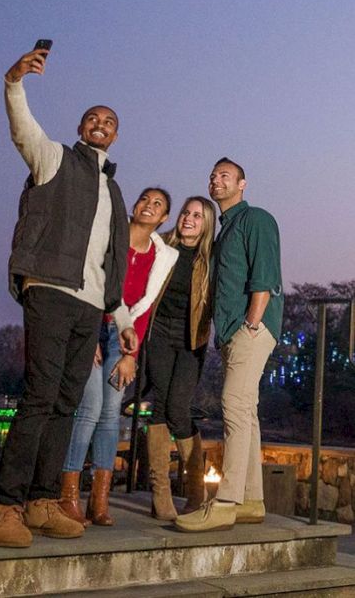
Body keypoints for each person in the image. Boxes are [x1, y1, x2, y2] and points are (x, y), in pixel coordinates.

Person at [0, 46, 135, 549]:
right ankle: (4, 507)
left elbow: (114, 261)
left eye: (108, 120)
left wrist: (120, 314)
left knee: (67, 403)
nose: (100, 123)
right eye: (92, 117)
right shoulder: (54, 159)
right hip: (49, 289)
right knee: (40, 396)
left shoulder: (115, 193)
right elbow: (22, 127)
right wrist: (13, 82)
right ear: (80, 126)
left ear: (116, 134)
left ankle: (43, 502)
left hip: (92, 303)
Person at [175, 158, 283, 532]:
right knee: (246, 413)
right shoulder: (224, 231)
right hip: (234, 332)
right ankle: (252, 500)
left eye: (225, 176)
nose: (216, 180)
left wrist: (252, 322)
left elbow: (264, 276)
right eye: (212, 176)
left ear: (242, 184)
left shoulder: (257, 220)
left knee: (233, 407)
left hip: (251, 328)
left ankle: (225, 502)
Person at [60, 187, 177, 527]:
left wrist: (131, 355)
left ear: (164, 218)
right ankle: (68, 497)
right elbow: (86, 280)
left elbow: (145, 308)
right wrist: (85, 335)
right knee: (89, 408)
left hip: (124, 337)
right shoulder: (110, 235)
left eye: (158, 205)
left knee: (111, 414)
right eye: (145, 199)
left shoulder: (163, 256)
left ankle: (100, 500)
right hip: (93, 324)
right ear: (135, 204)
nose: (149, 206)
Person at [145, 196, 216, 520]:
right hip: (158, 335)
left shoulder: (210, 259)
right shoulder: (161, 246)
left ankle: (195, 492)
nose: (189, 218)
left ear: (206, 224)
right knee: (160, 405)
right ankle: (160, 495)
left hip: (192, 340)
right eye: (186, 212)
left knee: (178, 407)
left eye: (197, 216)